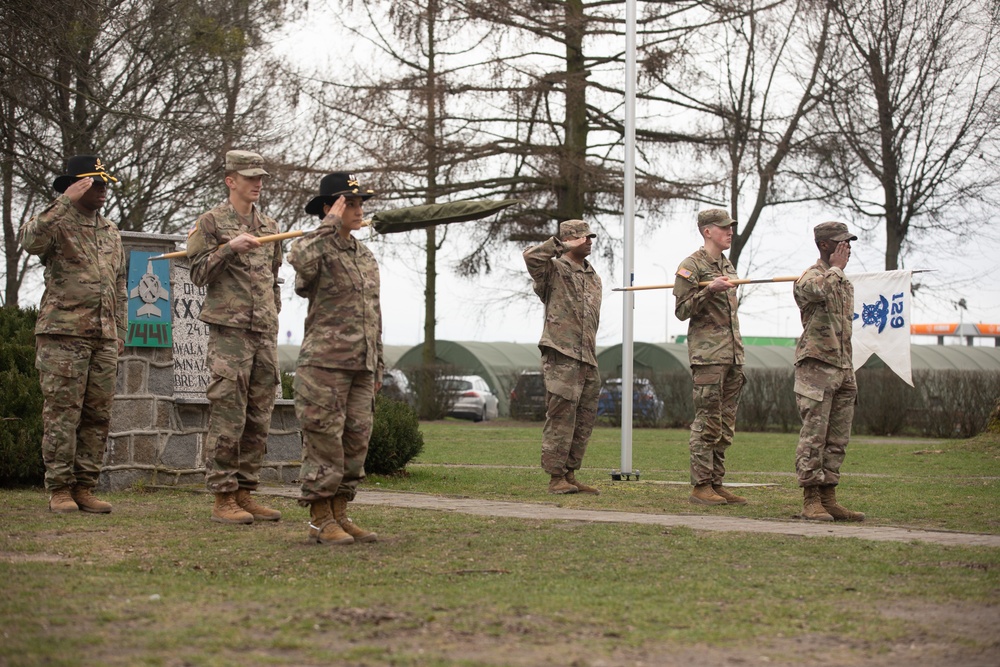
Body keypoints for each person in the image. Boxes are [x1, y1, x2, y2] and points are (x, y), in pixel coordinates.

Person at [18, 155, 126, 514]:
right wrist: (63, 199)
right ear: (74, 185)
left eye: (104, 184)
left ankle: (85, 487)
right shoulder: (57, 221)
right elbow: (30, 241)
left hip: (104, 337)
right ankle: (60, 489)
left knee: (98, 415)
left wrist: (119, 331)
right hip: (63, 334)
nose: (102, 190)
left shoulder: (110, 231)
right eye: (94, 183)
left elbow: (120, 285)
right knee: (63, 414)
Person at [187, 150, 283, 524]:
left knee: (259, 416)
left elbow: (273, 279)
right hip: (230, 335)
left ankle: (245, 492)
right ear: (231, 180)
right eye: (249, 177)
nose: (257, 183)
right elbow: (196, 273)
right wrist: (228, 248)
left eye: (260, 177)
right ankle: (223, 496)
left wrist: (273, 315)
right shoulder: (211, 222)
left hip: (263, 333)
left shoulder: (271, 225)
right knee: (228, 415)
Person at [288, 172, 383, 545]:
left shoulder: (365, 255)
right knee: (324, 441)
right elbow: (298, 259)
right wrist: (328, 225)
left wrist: (378, 363)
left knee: (356, 442)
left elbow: (373, 312)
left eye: (361, 203)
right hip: (324, 363)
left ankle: (341, 512)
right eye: (350, 203)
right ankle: (319, 519)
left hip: (362, 364)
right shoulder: (316, 248)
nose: (359, 210)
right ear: (330, 208)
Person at [673, 209, 748, 506]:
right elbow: (681, 311)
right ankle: (701, 485)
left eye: (730, 228)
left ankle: (716, 482)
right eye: (724, 228)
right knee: (707, 422)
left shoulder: (727, 265)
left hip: (732, 355)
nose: (730, 232)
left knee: (726, 423)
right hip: (708, 356)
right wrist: (709, 291)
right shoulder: (691, 265)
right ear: (707, 231)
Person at [793, 221, 865, 522]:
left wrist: (839, 273)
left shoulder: (843, 282)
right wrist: (835, 269)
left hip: (843, 367)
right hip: (817, 368)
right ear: (824, 245)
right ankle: (811, 499)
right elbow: (813, 291)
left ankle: (829, 497)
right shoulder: (812, 276)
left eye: (847, 242)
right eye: (840, 242)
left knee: (837, 439)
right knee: (815, 436)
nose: (846, 248)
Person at [523, 220, 602, 495]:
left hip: (587, 356)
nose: (589, 240)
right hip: (562, 354)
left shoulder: (593, 276)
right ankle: (556, 477)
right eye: (583, 237)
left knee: (584, 419)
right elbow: (531, 256)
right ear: (569, 240)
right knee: (561, 416)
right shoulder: (553, 270)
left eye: (590, 236)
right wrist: (560, 246)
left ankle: (570, 473)